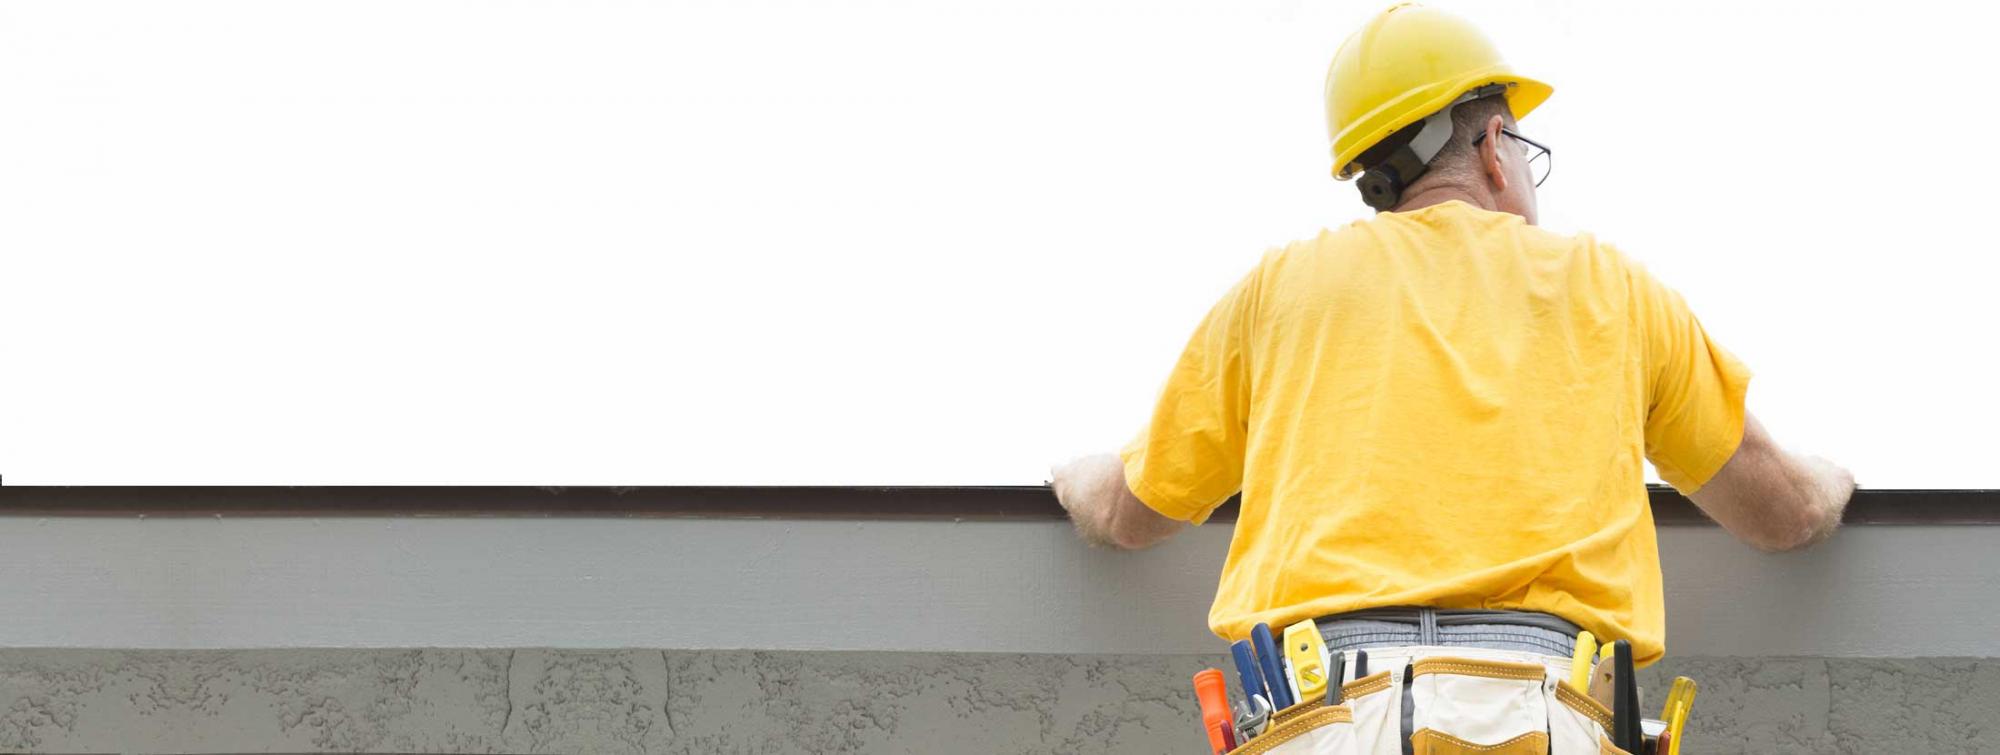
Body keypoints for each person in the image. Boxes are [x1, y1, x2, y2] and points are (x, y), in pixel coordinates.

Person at [1050, 4, 1856, 752]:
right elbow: (1782, 510)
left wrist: (1069, 474)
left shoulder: (1284, 290)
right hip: (1549, 712)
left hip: (1326, 713)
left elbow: (1127, 511)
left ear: (1374, 177)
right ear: (1494, 147)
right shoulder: (1607, 287)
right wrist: (1835, 481)